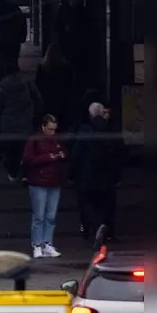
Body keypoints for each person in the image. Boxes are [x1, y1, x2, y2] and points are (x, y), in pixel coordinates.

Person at [70, 102, 125, 241]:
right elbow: (120, 151)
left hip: (87, 175)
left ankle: (93, 228)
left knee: (88, 204)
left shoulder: (85, 130)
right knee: (106, 205)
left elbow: (76, 153)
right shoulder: (110, 129)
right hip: (107, 175)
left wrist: (71, 174)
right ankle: (107, 232)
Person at [21, 114, 68, 259]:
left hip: (54, 181)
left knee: (50, 216)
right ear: (43, 127)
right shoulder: (34, 140)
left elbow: (65, 153)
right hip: (38, 182)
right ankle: (37, 244)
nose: (52, 132)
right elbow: (27, 160)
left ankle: (47, 244)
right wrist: (50, 157)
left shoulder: (56, 140)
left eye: (54, 129)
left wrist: (58, 156)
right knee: (39, 216)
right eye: (50, 129)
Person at [0, 68, 40, 182]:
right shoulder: (27, 85)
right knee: (24, 150)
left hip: (8, 125)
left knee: (11, 151)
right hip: (24, 123)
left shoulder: (2, 88)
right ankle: (24, 175)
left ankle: (12, 173)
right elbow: (38, 101)